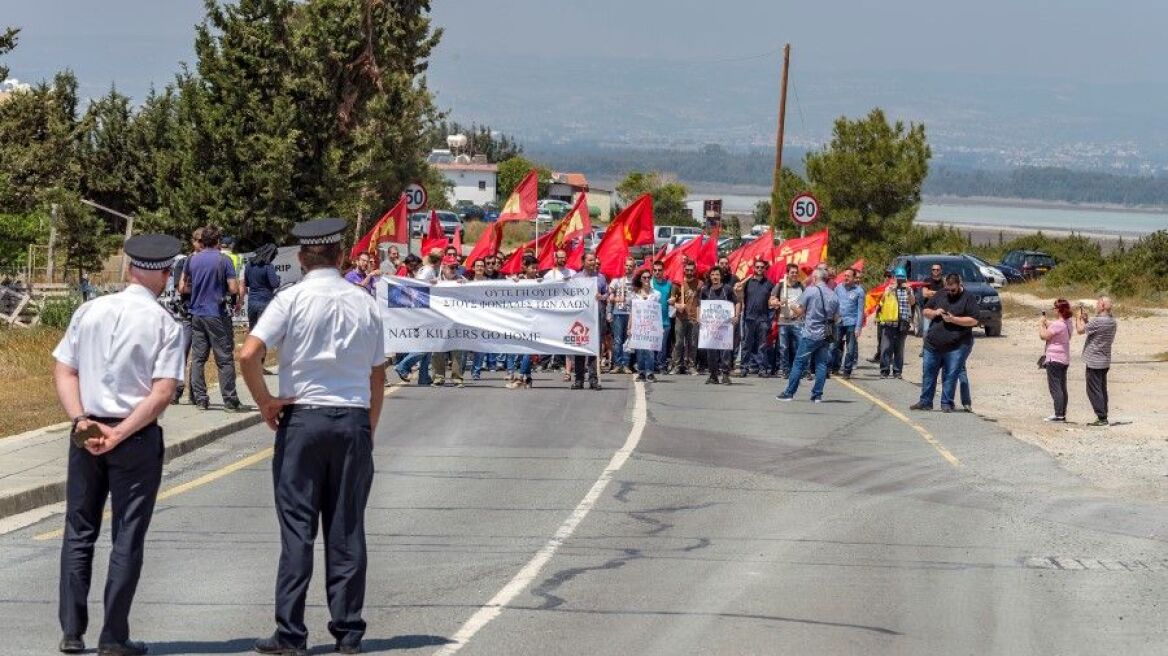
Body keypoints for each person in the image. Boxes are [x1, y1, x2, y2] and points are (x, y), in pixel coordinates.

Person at [238, 218, 385, 656]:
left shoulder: (291, 298)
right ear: (340, 256)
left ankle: (291, 634)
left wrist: (265, 400)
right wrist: (368, 427)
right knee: (346, 529)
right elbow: (378, 375)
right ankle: (348, 632)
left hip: (303, 418)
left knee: (298, 530)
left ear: (302, 258)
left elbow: (248, 353)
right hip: (353, 418)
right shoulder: (365, 302)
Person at [52, 234, 186, 656]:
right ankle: (113, 636)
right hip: (135, 435)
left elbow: (64, 370)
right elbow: (162, 392)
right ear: (163, 274)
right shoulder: (166, 324)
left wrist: (81, 420)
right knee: (127, 536)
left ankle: (72, 632)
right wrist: (121, 432)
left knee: (79, 531)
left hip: (86, 431)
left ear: (129, 269)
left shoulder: (89, 310)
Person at [179, 225, 244, 412]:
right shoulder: (223, 260)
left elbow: (183, 287)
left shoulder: (192, 260)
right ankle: (230, 400)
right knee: (224, 358)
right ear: (217, 241)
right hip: (216, 312)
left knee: (198, 358)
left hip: (196, 313)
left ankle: (200, 399)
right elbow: (233, 288)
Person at [911, 273, 979, 413]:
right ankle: (925, 402)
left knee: (950, 374)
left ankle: (946, 403)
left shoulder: (968, 298)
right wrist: (935, 312)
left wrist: (954, 319)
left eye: (953, 290)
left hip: (957, 345)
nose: (950, 292)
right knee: (929, 373)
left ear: (960, 285)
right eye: (948, 289)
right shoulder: (941, 294)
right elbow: (925, 311)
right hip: (933, 343)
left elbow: (973, 320)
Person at [776, 268, 840, 402]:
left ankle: (789, 393)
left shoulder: (811, 291)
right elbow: (837, 317)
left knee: (799, 363)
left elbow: (799, 311)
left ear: (816, 278)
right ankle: (817, 395)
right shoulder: (833, 294)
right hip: (825, 335)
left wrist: (791, 304)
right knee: (821, 364)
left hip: (810, 333)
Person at [171, 228, 202, 404]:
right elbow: (180, 287)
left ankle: (195, 393)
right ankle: (176, 391)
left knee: (199, 356)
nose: (201, 244)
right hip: (187, 312)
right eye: (199, 240)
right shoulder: (184, 262)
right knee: (182, 352)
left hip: (202, 313)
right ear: (193, 242)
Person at [1076, 296, 1116, 427]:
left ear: (1103, 306)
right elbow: (1094, 330)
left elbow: (1080, 330)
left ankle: (1101, 417)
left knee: (1093, 389)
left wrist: (1078, 318)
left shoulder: (1099, 321)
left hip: (1094, 360)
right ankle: (1103, 415)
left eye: (1098, 303)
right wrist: (1086, 320)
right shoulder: (1112, 321)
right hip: (1104, 359)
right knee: (1102, 389)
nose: (1096, 306)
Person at [571, 252, 607, 390]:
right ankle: (579, 379)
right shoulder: (576, 278)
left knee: (594, 349)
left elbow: (607, 294)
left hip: (596, 317)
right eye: (590, 260)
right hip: (580, 318)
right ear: (583, 261)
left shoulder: (601, 278)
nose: (593, 263)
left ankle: (593, 379)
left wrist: (601, 297)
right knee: (580, 348)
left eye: (594, 260)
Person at [506, 256, 542, 389]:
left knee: (529, 349)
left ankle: (521, 377)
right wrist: (513, 282)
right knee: (521, 349)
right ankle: (528, 378)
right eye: (533, 268)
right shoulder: (519, 280)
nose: (535, 270)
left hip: (535, 320)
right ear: (525, 268)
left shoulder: (541, 281)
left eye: (537, 268)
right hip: (519, 320)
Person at [875, 268, 916, 379]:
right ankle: (884, 370)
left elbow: (912, 302)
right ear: (894, 278)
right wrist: (890, 290)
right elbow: (881, 302)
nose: (900, 281)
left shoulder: (909, 289)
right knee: (886, 347)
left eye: (902, 279)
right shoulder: (888, 288)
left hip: (903, 321)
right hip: (889, 321)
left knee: (899, 348)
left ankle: (897, 371)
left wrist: (908, 291)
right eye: (898, 278)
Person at [431, 259, 467, 387]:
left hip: (457, 322)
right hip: (439, 321)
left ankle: (457, 378)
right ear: (444, 267)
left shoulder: (462, 280)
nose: (453, 270)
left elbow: (473, 293)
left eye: (455, 267)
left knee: (457, 352)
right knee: (438, 351)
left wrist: (465, 285)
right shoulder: (435, 280)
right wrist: (430, 285)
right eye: (451, 267)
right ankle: (438, 377)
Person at [736, 259, 773, 377]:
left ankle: (762, 369)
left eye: (762, 267)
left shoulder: (769, 283)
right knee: (747, 344)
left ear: (765, 269)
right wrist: (740, 286)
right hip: (749, 318)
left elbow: (772, 300)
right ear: (754, 268)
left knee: (762, 345)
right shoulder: (747, 282)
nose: (760, 269)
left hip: (763, 318)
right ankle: (744, 368)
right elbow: (738, 294)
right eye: (757, 267)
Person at [1039, 299, 1074, 422]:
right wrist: (1046, 322)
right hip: (1063, 358)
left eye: (1055, 308)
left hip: (1054, 358)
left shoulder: (1058, 325)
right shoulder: (1067, 322)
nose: (1053, 310)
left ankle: (1058, 414)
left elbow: (1044, 336)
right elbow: (1054, 325)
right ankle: (1061, 413)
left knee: (1055, 387)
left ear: (1059, 310)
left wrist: (1041, 325)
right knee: (1062, 387)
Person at [701, 266, 737, 385]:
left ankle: (725, 375)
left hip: (725, 327)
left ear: (721, 276)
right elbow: (700, 305)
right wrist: (699, 318)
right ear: (709, 276)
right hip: (710, 327)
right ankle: (713, 375)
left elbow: (737, 303)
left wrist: (736, 316)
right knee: (711, 350)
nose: (715, 277)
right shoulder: (705, 290)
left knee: (725, 351)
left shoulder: (728, 289)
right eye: (712, 275)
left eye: (717, 274)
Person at [768, 263, 803, 378]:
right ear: (787, 273)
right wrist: (778, 303)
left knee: (799, 346)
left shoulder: (801, 286)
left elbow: (805, 303)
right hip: (783, 321)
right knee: (784, 347)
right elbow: (771, 301)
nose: (794, 274)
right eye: (792, 272)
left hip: (797, 321)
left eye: (796, 272)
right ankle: (785, 370)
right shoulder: (780, 286)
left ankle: (799, 370)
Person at [832, 268, 866, 379]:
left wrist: (858, 327)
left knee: (850, 348)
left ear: (854, 278)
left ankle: (847, 370)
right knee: (836, 346)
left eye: (848, 276)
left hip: (852, 322)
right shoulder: (838, 288)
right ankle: (835, 367)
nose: (846, 278)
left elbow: (860, 310)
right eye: (845, 275)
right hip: (839, 321)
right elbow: (834, 304)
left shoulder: (859, 291)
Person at [669, 259, 701, 375]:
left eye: (691, 270)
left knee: (692, 343)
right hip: (680, 318)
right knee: (678, 343)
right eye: (687, 270)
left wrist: (699, 317)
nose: (689, 272)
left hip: (694, 318)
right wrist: (677, 305)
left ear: (695, 270)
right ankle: (677, 365)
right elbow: (671, 301)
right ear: (683, 270)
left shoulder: (699, 284)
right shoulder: (677, 284)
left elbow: (701, 302)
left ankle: (691, 366)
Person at [606, 256, 635, 373]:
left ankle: (626, 364)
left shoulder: (636, 282)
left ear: (634, 267)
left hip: (631, 314)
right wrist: (609, 312)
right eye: (626, 265)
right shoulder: (616, 281)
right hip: (618, 313)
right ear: (624, 266)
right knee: (618, 340)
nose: (628, 268)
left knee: (629, 339)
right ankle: (617, 364)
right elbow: (610, 298)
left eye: (630, 266)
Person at [631, 269, 660, 382]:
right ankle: (641, 372)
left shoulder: (656, 294)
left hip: (651, 326)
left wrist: (659, 328)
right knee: (640, 350)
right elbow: (632, 312)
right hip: (639, 326)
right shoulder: (635, 295)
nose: (647, 279)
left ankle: (650, 372)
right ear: (640, 279)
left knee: (650, 350)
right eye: (644, 277)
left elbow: (657, 312)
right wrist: (630, 326)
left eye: (649, 277)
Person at [245, 243, 282, 329]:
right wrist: (278, 279)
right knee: (264, 331)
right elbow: (274, 284)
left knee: (253, 330)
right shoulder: (268, 266)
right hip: (265, 302)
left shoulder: (248, 265)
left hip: (251, 303)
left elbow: (247, 283)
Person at [650, 262, 673, 374]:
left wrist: (673, 300)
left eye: (659, 270)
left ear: (663, 271)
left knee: (662, 345)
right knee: (652, 344)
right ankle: (652, 365)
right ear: (652, 271)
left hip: (665, 320)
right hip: (651, 320)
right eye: (655, 270)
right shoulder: (649, 283)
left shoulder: (669, 284)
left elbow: (673, 299)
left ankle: (662, 365)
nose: (657, 272)